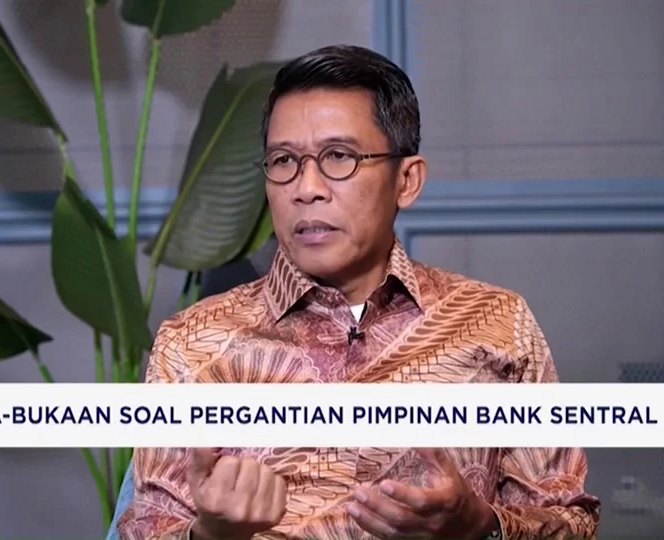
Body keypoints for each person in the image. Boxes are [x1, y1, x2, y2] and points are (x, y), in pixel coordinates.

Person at [116, 44, 601, 540]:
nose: (306, 188)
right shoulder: (192, 344)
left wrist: (480, 525)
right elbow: (145, 529)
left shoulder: (498, 322)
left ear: (406, 181)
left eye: (338, 157)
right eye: (283, 160)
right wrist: (210, 534)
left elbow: (573, 522)